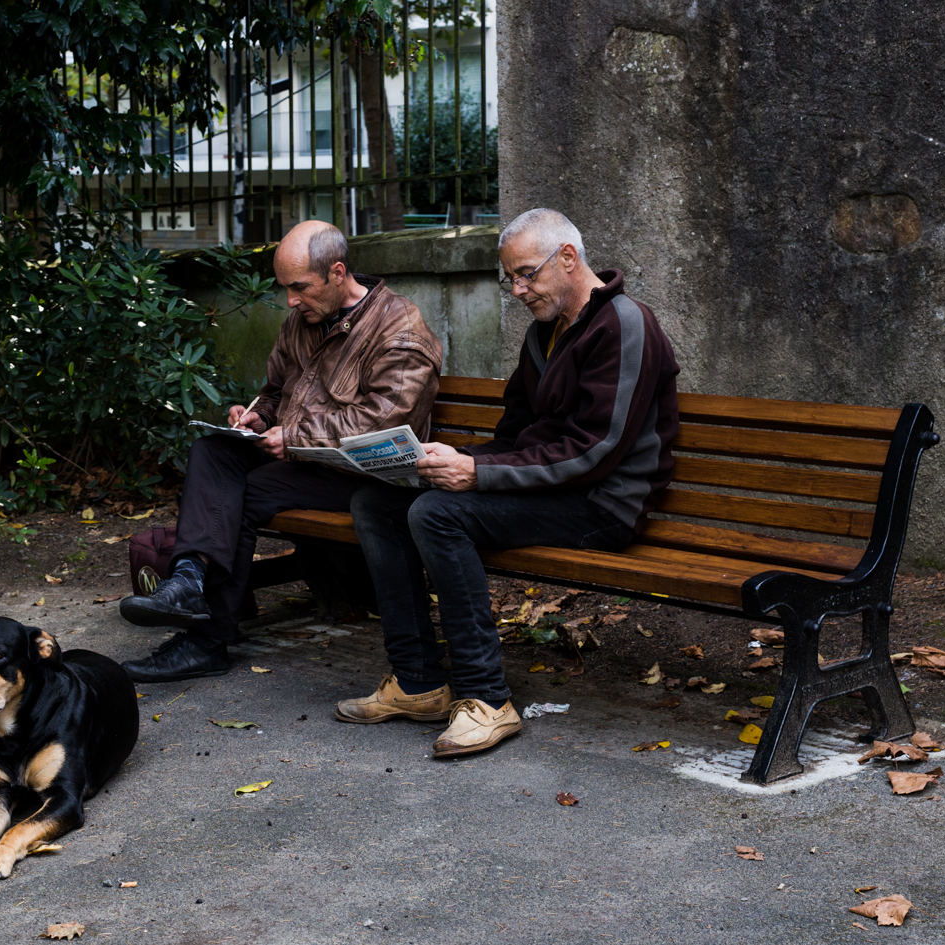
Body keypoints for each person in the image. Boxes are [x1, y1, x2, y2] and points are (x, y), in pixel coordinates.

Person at [338, 208, 681, 758]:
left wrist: (479, 474)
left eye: (527, 274)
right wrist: (450, 459)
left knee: (437, 514)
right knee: (377, 501)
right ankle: (419, 683)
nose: (518, 289)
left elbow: (597, 450)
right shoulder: (543, 335)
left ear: (568, 259)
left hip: (602, 503)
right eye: (511, 278)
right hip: (549, 490)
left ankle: (487, 700)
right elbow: (519, 435)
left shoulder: (626, 323)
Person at [120, 220, 444, 683]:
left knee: (243, 495)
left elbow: (385, 423)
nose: (290, 301)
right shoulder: (301, 323)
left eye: (299, 288)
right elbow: (276, 391)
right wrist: (260, 417)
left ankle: (206, 641)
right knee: (214, 450)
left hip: (366, 474)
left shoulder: (399, 330)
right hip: (305, 459)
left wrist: (292, 437)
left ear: (337, 272)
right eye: (285, 288)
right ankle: (187, 581)